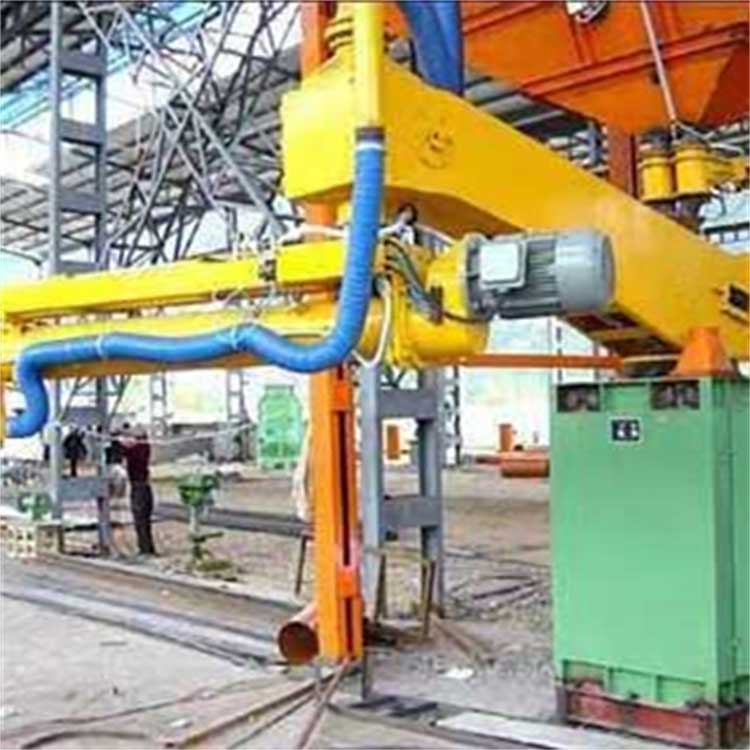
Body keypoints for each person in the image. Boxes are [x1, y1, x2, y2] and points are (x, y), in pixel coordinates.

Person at [121, 426, 157, 556]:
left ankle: (145, 549)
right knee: (143, 521)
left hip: (139, 488)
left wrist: (118, 441)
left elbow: (125, 450)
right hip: (143, 487)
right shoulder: (143, 448)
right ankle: (146, 548)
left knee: (140, 520)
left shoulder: (138, 449)